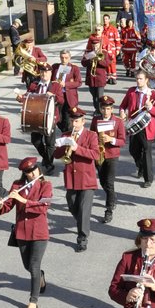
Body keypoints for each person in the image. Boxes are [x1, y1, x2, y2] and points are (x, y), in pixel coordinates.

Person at [0, 156, 53, 308]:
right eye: (28, 172)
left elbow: (43, 207)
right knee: (28, 266)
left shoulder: (45, 185)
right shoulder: (17, 185)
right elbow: (8, 206)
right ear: (24, 174)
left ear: (38, 169)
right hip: (22, 232)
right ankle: (39, 276)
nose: (32, 174)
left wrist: (24, 200)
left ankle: (33, 301)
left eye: (34, 170)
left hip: (39, 232)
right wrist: (0, 205)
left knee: (33, 265)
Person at [54, 106, 99, 252]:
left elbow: (95, 155)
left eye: (77, 121)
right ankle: (82, 222)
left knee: (84, 209)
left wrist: (77, 148)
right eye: (73, 121)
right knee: (73, 206)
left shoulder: (91, 135)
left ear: (83, 121)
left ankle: (82, 238)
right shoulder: (66, 135)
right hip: (71, 179)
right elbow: (56, 156)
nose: (74, 124)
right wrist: (60, 146)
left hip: (87, 179)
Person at [18, 62, 63, 174]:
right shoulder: (34, 85)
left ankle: (49, 164)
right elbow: (27, 97)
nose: (44, 74)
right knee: (35, 140)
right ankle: (47, 158)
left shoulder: (56, 85)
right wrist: (20, 98)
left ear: (51, 73)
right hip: (35, 117)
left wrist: (53, 96)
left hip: (50, 117)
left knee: (49, 143)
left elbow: (62, 100)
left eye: (46, 72)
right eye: (42, 72)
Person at [119, 68, 155, 187]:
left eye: (140, 79)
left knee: (147, 152)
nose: (138, 81)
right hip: (134, 126)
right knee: (133, 150)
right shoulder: (131, 91)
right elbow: (123, 106)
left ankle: (148, 179)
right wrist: (122, 112)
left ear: (146, 80)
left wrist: (150, 108)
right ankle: (141, 166)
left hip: (147, 128)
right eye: (137, 79)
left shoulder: (153, 94)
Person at [91, 95, 125, 224]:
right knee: (103, 182)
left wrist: (111, 139)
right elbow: (91, 135)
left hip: (112, 155)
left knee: (109, 183)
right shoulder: (96, 120)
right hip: (99, 155)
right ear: (100, 108)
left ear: (112, 109)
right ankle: (113, 198)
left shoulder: (118, 121)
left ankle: (109, 209)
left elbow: (122, 141)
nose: (106, 111)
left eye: (109, 109)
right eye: (104, 109)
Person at [51, 48, 81, 132]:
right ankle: (64, 131)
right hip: (57, 96)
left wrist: (66, 84)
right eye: (62, 57)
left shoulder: (74, 68)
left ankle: (68, 135)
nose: (64, 60)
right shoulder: (55, 67)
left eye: (66, 58)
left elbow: (78, 82)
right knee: (58, 118)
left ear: (69, 58)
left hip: (69, 96)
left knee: (68, 119)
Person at [82, 27, 109, 109]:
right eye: (93, 45)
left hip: (100, 78)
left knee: (100, 96)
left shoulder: (103, 52)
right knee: (94, 96)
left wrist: (99, 60)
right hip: (91, 78)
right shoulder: (89, 53)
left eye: (96, 45)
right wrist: (90, 60)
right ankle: (96, 109)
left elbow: (107, 64)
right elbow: (83, 63)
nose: (95, 47)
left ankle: (100, 110)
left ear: (99, 45)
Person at [100, 12, 120, 82]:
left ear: (109, 20)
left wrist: (118, 49)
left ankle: (114, 77)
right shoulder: (101, 29)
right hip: (104, 50)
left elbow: (117, 40)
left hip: (112, 49)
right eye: (104, 19)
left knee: (112, 63)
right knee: (106, 63)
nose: (105, 20)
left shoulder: (113, 29)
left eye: (106, 19)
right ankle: (108, 77)